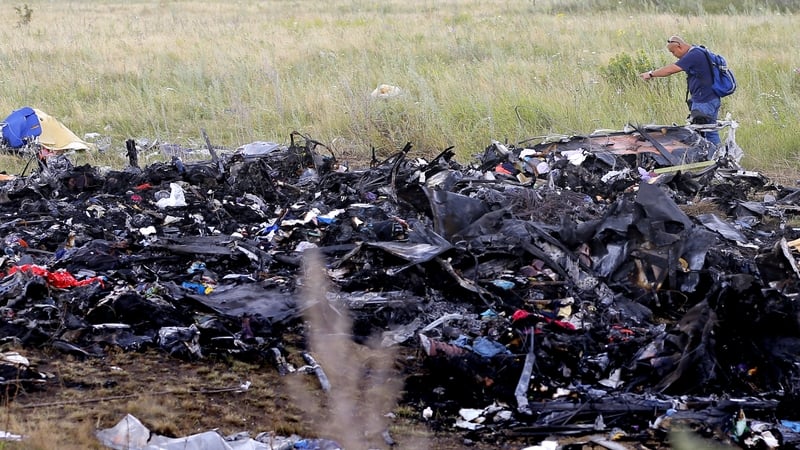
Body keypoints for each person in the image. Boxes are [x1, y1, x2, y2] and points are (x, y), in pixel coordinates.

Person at [640, 35, 721, 145]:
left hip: (703, 101)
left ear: (679, 47)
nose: (674, 55)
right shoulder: (698, 50)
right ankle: (718, 157)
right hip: (712, 98)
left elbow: (672, 69)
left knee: (700, 134)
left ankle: (709, 158)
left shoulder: (694, 55)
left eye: (673, 52)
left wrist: (651, 74)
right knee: (710, 131)